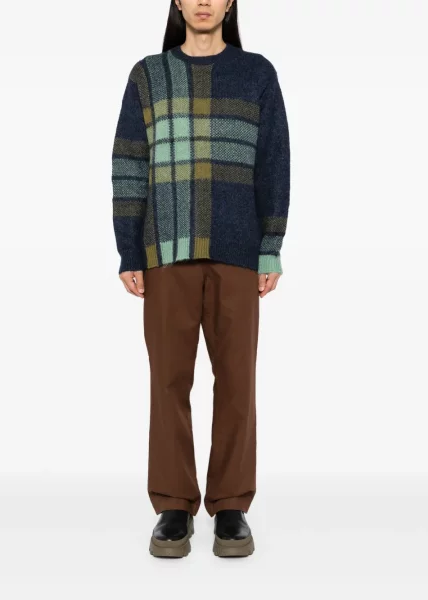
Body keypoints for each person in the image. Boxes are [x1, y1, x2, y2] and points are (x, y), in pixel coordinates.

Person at [111, 0, 290, 558]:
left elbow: (274, 162)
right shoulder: (148, 75)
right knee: (168, 380)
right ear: (177, 2)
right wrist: (129, 249)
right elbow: (129, 163)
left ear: (231, 2)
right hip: (165, 248)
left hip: (237, 250)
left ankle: (231, 506)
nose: (204, 1)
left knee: (237, 380)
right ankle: (173, 505)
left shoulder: (256, 73)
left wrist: (270, 246)